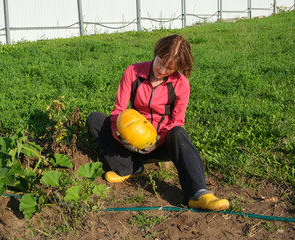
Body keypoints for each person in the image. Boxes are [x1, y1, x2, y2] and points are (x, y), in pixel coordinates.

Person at [86, 34, 229, 211]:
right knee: (95, 119)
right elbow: (118, 110)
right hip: (128, 141)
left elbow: (177, 120)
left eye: (170, 69)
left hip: (159, 145)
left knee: (178, 132)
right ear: (156, 53)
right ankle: (130, 168)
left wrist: (156, 141)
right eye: (160, 63)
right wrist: (117, 131)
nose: (162, 70)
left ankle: (198, 193)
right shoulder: (132, 71)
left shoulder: (181, 84)